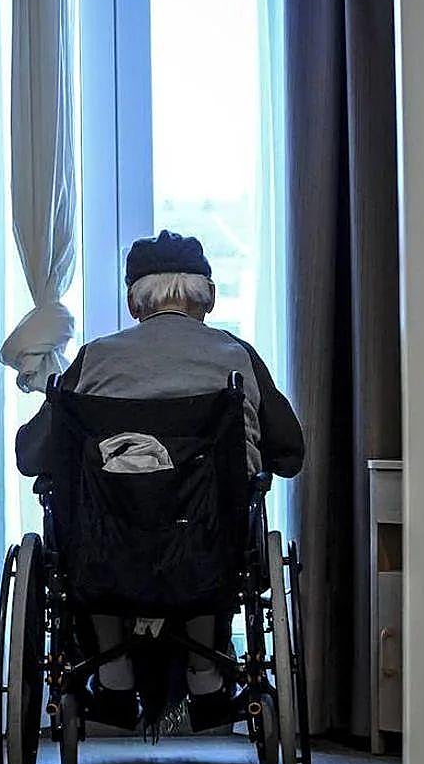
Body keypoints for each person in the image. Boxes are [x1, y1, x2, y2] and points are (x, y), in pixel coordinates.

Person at [15, 229, 305, 731]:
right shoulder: (236, 356)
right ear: (207, 297)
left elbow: (30, 456)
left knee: (94, 526)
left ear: (135, 301)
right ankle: (206, 675)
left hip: (105, 557)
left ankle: (113, 672)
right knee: (208, 522)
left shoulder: (95, 358)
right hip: (208, 555)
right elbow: (289, 454)